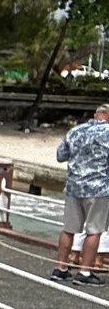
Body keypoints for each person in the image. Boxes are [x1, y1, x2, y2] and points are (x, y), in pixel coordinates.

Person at [54, 104, 109, 284]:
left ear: (95, 115)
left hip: (73, 187)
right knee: (94, 230)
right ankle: (85, 272)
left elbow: (61, 155)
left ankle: (60, 268)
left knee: (68, 229)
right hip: (99, 188)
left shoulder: (76, 131)